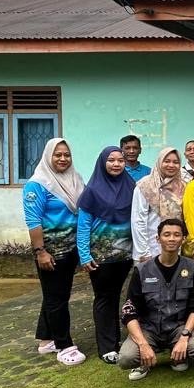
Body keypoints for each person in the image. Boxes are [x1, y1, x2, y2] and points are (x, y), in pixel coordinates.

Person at [117, 219, 194, 381]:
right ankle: (143, 360)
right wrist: (142, 344)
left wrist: (184, 336)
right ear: (158, 239)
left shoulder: (191, 267)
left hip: (177, 328)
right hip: (149, 329)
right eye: (167, 235)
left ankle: (178, 355)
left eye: (177, 235)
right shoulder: (142, 270)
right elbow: (129, 312)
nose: (172, 239)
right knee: (126, 358)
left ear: (183, 239)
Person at [23, 138, 87, 366]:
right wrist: (40, 251)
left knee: (56, 296)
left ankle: (46, 340)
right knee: (56, 298)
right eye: (57, 155)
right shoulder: (37, 184)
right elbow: (33, 220)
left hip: (70, 249)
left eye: (66, 155)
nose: (62, 159)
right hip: (50, 252)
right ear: (48, 156)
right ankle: (64, 345)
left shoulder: (74, 179)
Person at [76, 145, 137, 364]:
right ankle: (106, 347)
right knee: (104, 298)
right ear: (103, 162)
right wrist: (84, 255)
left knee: (116, 296)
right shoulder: (92, 190)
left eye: (120, 160)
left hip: (125, 256)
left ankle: (114, 339)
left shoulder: (131, 186)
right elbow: (83, 225)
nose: (116, 164)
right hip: (100, 256)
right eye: (111, 160)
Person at [131, 147, 186, 262]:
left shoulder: (183, 186)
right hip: (149, 249)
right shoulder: (145, 185)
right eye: (166, 161)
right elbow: (138, 220)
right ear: (159, 162)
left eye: (175, 162)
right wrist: (143, 252)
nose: (171, 165)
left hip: (175, 248)